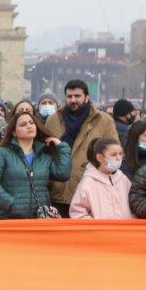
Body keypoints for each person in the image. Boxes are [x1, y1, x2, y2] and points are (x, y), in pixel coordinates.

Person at [42, 79, 119, 215]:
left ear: (87, 97)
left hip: (89, 192)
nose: (73, 100)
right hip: (57, 190)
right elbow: (45, 152)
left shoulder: (104, 120)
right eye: (69, 96)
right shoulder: (53, 120)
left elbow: (114, 153)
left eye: (77, 96)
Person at [0, 111, 71, 219]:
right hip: (9, 219)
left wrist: (61, 146)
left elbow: (63, 174)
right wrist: (9, 204)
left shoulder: (43, 155)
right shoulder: (2, 153)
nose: (29, 126)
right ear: (14, 132)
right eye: (23, 124)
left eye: (31, 123)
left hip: (39, 220)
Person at [69, 137, 131, 219]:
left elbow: (133, 205)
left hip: (125, 230)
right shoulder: (88, 183)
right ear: (100, 158)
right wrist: (95, 227)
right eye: (114, 154)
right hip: (100, 231)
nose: (119, 158)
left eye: (120, 154)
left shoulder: (123, 179)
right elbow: (77, 212)